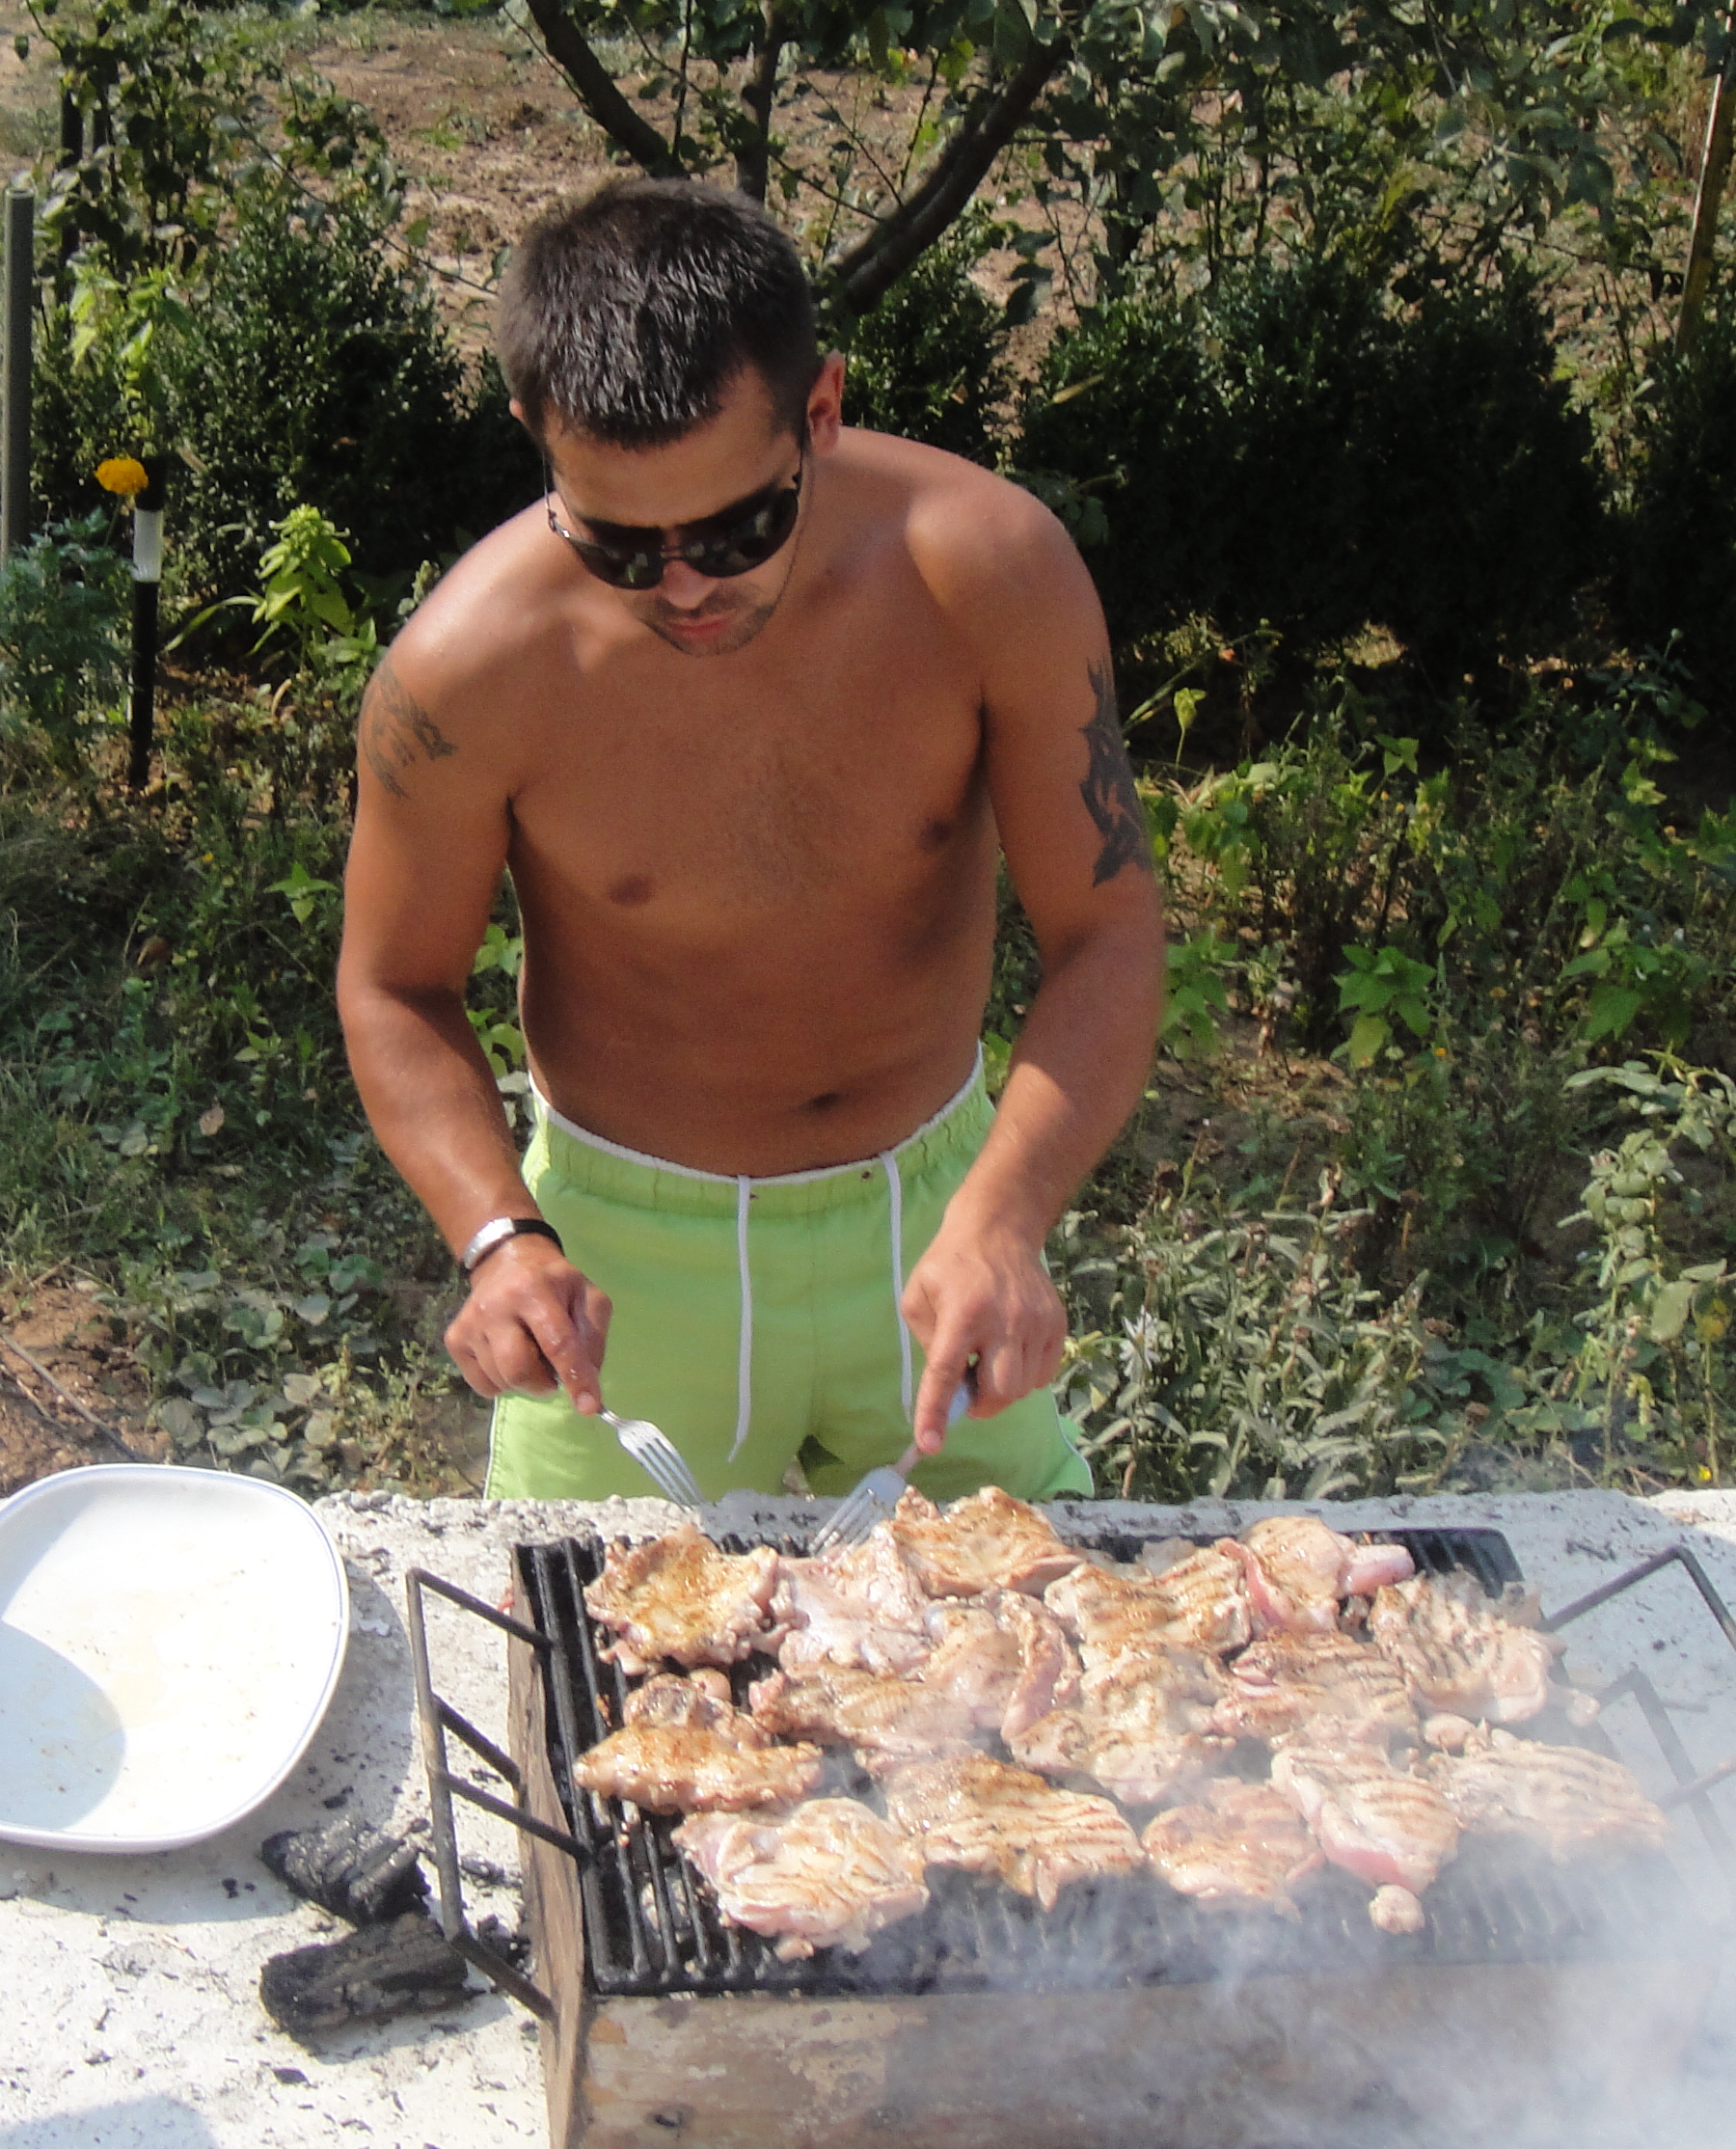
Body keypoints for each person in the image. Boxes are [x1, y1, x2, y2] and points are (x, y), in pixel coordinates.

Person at [334, 177, 1163, 1503]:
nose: (684, 587)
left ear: (819, 411)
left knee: (1034, 1611)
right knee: (581, 1623)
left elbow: (1108, 929)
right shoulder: (468, 672)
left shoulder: (987, 571)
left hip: (936, 1215)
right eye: (618, 543)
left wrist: (1006, 1214)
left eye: (738, 528)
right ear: (535, 436)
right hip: (622, 1260)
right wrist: (501, 1239)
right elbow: (392, 984)